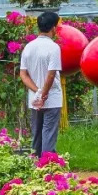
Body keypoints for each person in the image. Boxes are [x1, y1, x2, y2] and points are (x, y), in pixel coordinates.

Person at [19, 11, 63, 157]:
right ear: (53, 28)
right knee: (49, 133)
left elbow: (23, 74)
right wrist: (44, 94)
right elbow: (51, 75)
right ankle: (48, 165)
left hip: (34, 99)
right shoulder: (53, 47)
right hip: (52, 98)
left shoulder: (28, 47)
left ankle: (35, 163)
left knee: (37, 134)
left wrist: (37, 91)